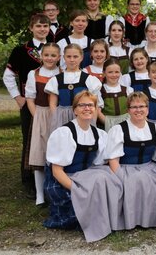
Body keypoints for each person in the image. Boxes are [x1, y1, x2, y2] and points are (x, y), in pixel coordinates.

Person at [45, 90, 122, 242]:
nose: (87, 108)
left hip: (83, 176)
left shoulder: (99, 134)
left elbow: (99, 163)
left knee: (105, 176)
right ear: (75, 110)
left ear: (95, 109)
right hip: (63, 180)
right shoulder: (64, 133)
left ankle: (111, 218)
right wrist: (76, 190)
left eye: (90, 105)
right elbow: (56, 171)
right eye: (82, 105)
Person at [3, 13, 50, 193]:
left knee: (50, 138)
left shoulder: (54, 48)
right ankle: (28, 180)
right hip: (29, 103)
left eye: (45, 26)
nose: (42, 29)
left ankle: (49, 176)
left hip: (51, 103)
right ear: (31, 28)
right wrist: (17, 97)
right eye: (38, 26)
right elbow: (8, 76)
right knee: (30, 140)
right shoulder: (20, 50)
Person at [105, 91, 156, 229]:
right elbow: (113, 160)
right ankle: (134, 220)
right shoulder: (118, 130)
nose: (138, 110)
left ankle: (154, 219)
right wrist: (120, 178)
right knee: (137, 180)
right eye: (134, 107)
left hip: (149, 166)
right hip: (126, 168)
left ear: (147, 109)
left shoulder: (155, 129)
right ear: (128, 110)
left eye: (142, 106)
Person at [25, 43, 61, 206]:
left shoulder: (62, 73)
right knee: (39, 153)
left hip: (58, 114)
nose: (49, 58)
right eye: (46, 55)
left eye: (53, 55)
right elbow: (30, 99)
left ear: (59, 57)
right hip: (40, 113)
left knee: (57, 153)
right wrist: (37, 116)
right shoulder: (34, 74)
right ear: (41, 56)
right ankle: (39, 193)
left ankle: (54, 189)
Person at [45, 43, 102, 131]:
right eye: (69, 56)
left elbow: (95, 104)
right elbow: (52, 104)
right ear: (64, 57)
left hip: (84, 116)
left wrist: (92, 121)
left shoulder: (89, 79)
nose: (72, 60)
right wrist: (57, 118)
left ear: (81, 58)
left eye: (75, 57)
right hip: (62, 117)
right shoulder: (56, 79)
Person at [98, 58, 133, 131]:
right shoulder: (99, 91)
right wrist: (109, 124)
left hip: (126, 124)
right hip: (107, 125)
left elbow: (132, 108)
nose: (114, 75)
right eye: (110, 72)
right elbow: (98, 111)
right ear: (104, 73)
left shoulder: (128, 90)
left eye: (117, 72)